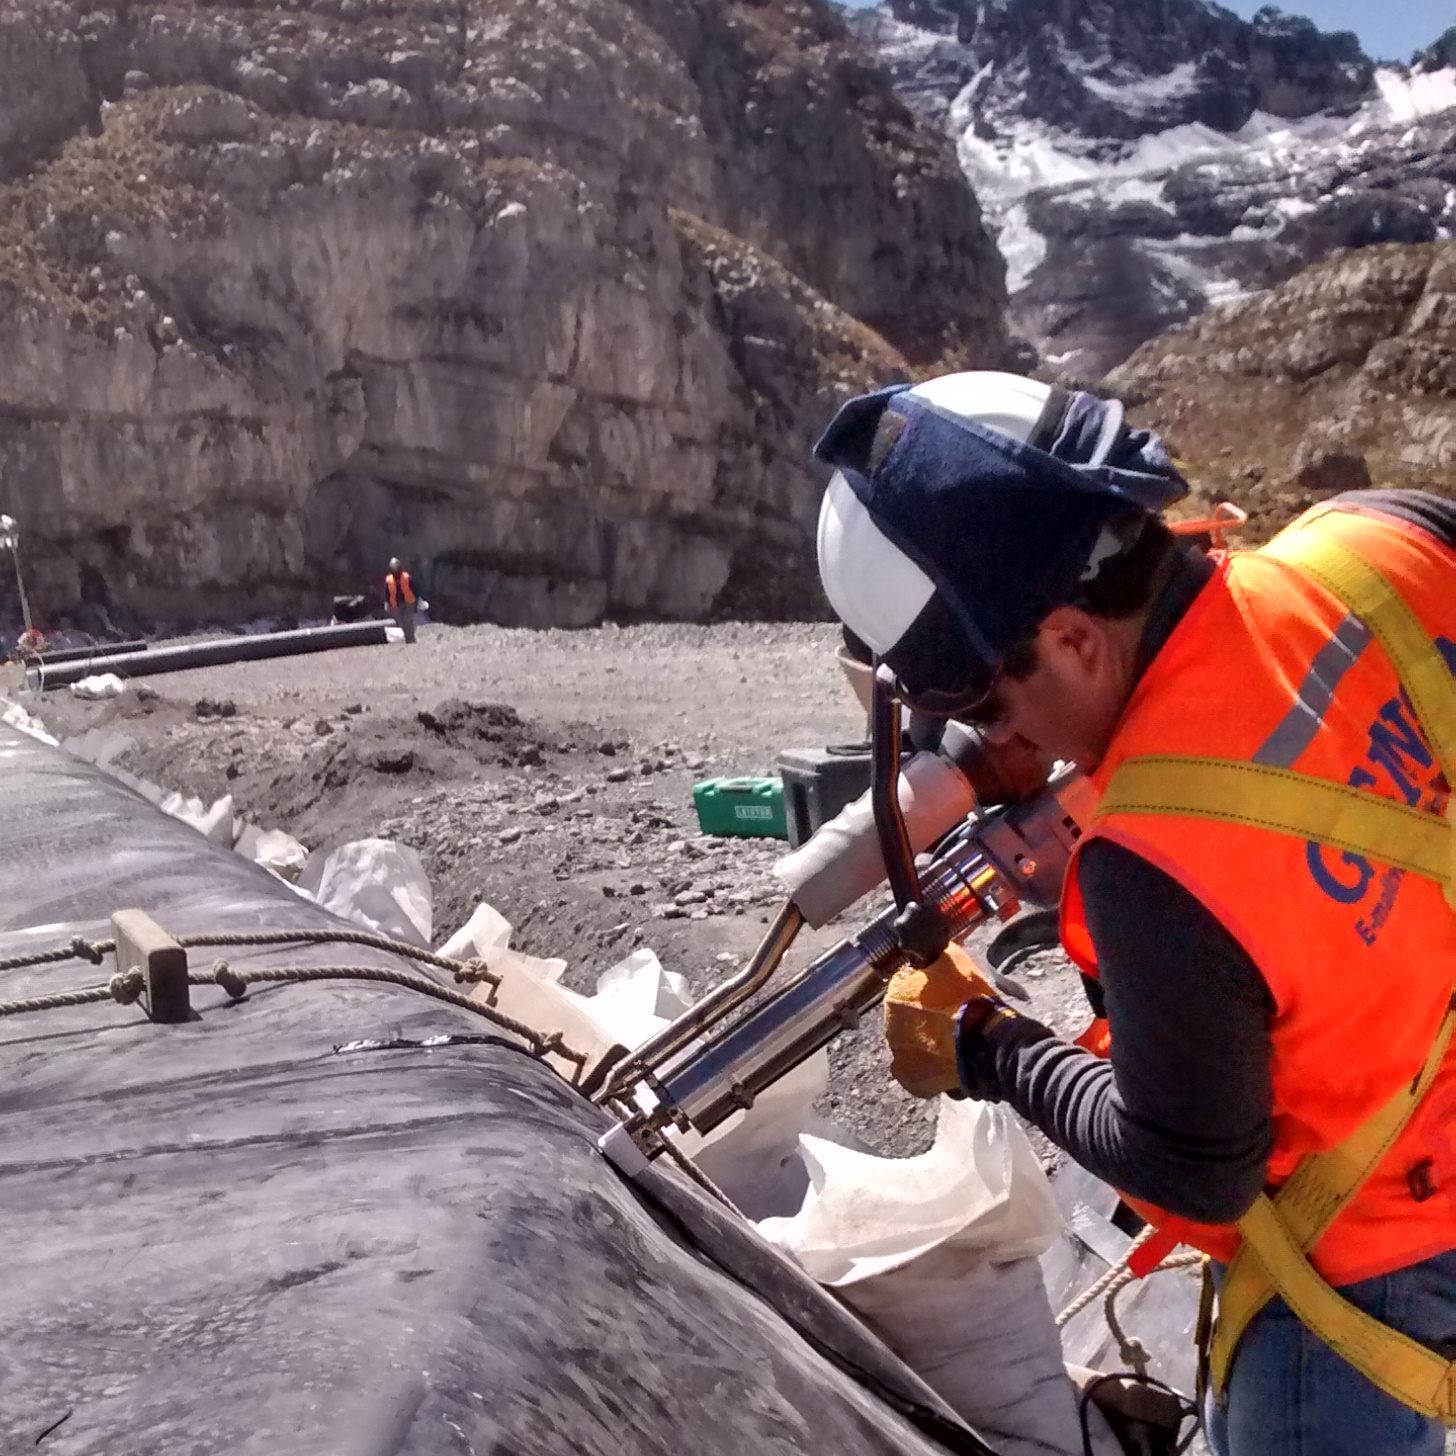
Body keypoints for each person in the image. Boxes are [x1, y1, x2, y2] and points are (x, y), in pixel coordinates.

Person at [812, 370, 1455, 1456]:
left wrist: (986, 1043)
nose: (1005, 741)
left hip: (1363, 1272)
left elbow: (1192, 1167)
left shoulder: (1153, 866)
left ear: (1072, 640)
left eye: (985, 703)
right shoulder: (1377, 538)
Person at [384, 557, 417, 644]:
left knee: (408, 620)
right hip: (397, 603)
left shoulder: (407, 577)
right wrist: (387, 603)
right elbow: (387, 593)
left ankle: (411, 639)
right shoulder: (388, 580)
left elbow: (414, 589)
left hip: (409, 602)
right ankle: (407, 637)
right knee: (400, 621)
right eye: (393, 568)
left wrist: (418, 600)